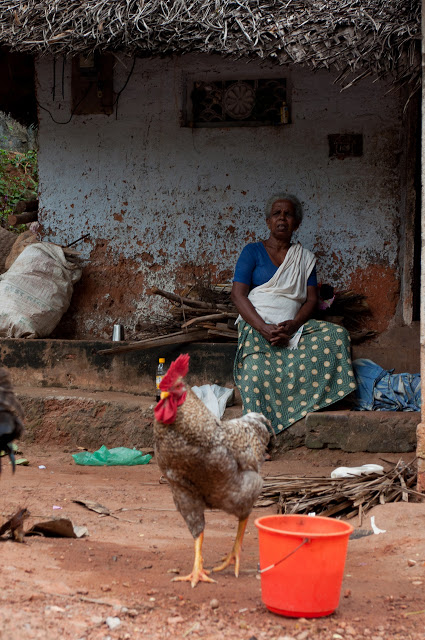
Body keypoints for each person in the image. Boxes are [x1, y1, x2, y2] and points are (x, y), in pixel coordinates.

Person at [231, 194, 356, 435]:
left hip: (293, 328)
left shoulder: (305, 258)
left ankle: (309, 401)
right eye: (277, 213)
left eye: (288, 214)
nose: (282, 218)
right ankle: (257, 435)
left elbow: (311, 300)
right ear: (268, 221)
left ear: (296, 224)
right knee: (255, 367)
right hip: (257, 324)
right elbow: (238, 295)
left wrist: (293, 325)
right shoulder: (252, 252)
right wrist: (263, 327)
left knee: (337, 335)